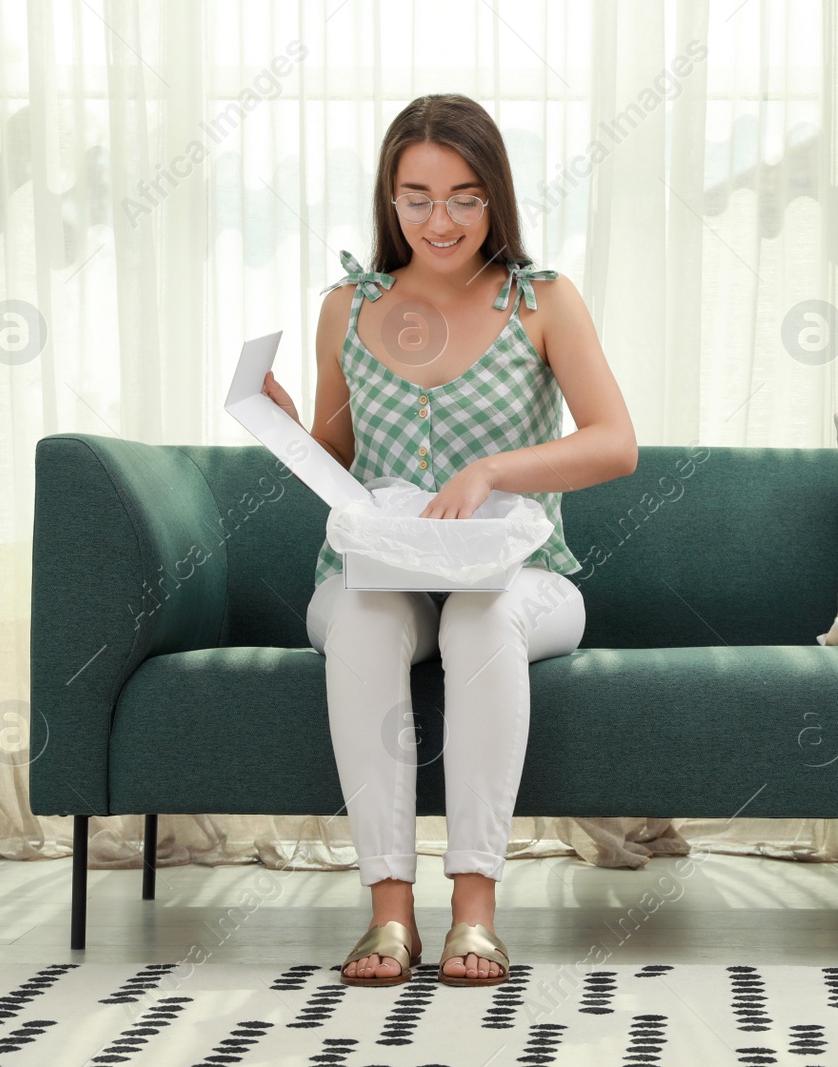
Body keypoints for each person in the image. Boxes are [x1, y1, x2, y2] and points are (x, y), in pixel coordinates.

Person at [263, 93, 637, 988]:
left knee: (478, 621)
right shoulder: (347, 309)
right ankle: (390, 913)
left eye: (465, 197)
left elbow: (615, 442)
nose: (441, 220)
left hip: (520, 576)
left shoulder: (540, 299)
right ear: (390, 200)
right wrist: (282, 433)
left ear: (494, 198)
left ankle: (476, 912)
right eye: (418, 196)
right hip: (381, 571)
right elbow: (339, 461)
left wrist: (493, 472)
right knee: (358, 622)